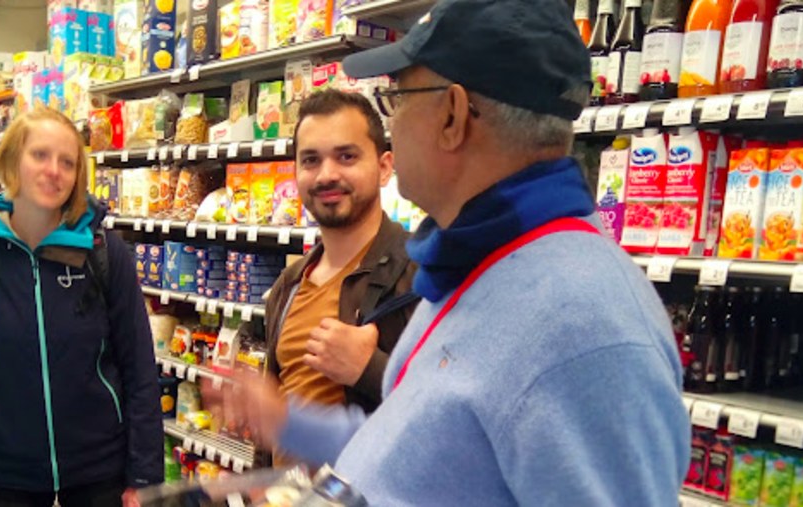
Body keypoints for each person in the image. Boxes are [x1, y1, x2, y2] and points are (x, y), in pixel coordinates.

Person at [206, 0, 691, 505]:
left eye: (399, 99)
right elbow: (414, 452)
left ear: (453, 115)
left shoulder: (585, 327)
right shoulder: (475, 267)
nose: (391, 123)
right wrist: (289, 426)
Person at [0, 108, 163, 507]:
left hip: (100, 478)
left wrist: (144, 478)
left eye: (67, 161)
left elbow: (140, 370)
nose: (54, 170)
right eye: (39, 155)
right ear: (11, 162)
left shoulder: (104, 253)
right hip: (4, 482)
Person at [262, 89, 417, 431]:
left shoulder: (420, 275)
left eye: (346, 157)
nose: (326, 175)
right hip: (289, 487)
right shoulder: (287, 288)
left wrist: (371, 370)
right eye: (311, 160)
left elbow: (455, 422)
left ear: (384, 167)